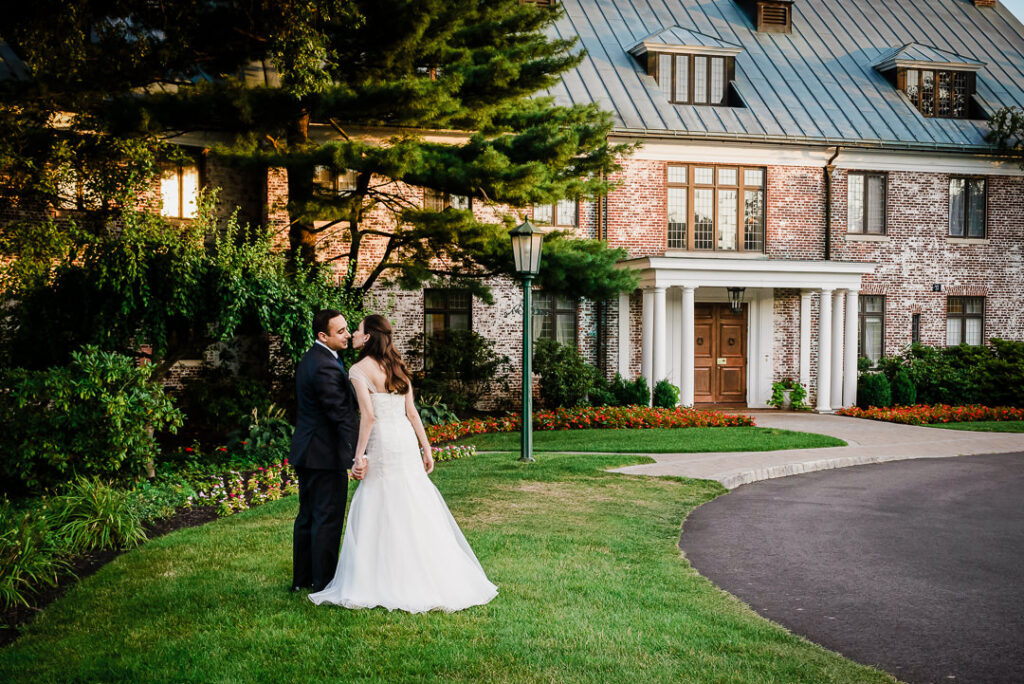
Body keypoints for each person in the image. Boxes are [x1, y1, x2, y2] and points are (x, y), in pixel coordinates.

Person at [309, 314, 497, 613]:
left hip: (383, 441)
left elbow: (368, 417)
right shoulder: (397, 367)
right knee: (411, 500)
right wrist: (427, 448)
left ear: (368, 337)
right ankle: (426, 571)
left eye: (357, 330)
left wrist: (358, 457)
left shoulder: (358, 370)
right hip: (405, 441)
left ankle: (381, 576)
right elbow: (412, 413)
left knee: (380, 502)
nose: (353, 335)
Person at [290, 309, 365, 593]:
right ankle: (323, 581)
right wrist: (360, 452)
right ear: (323, 336)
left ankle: (303, 579)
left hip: (309, 451)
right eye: (341, 331)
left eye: (348, 329)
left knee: (309, 516)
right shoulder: (324, 365)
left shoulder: (316, 358)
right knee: (327, 517)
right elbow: (341, 414)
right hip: (323, 454)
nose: (347, 335)